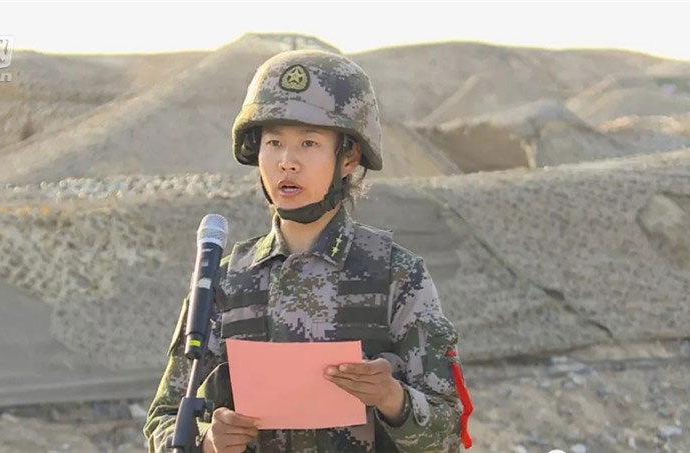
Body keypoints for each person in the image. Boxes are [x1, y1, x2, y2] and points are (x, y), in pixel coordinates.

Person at [143, 49, 472, 453]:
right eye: (274, 142)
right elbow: (164, 422)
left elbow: (449, 430)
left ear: (349, 157)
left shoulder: (396, 275)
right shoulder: (224, 283)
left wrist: (391, 398)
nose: (287, 162)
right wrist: (207, 441)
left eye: (309, 143)